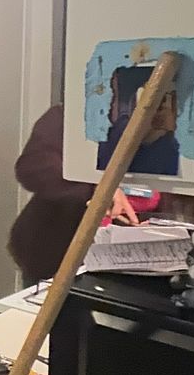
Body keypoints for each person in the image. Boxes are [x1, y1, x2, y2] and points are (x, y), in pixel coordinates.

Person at [9, 104, 141, 285]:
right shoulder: (70, 116)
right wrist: (98, 187)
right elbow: (33, 169)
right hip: (56, 252)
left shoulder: (169, 125)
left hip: (135, 264)